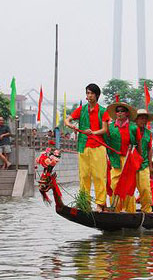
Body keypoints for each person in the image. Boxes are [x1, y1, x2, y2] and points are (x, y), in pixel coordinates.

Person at [65, 84, 110, 212]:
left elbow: (105, 129)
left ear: (97, 95)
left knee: (99, 176)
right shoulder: (81, 110)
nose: (89, 96)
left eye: (91, 93)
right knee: (84, 175)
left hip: (98, 146)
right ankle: (84, 202)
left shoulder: (103, 111)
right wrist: (71, 125)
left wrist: (93, 132)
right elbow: (67, 120)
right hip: (83, 146)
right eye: (88, 93)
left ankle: (100, 204)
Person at [103, 101, 141, 213]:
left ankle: (129, 211)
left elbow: (138, 145)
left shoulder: (133, 128)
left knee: (128, 186)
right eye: (117, 111)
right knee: (114, 184)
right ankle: (116, 210)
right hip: (115, 159)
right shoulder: (110, 127)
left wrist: (139, 160)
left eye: (122, 111)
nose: (119, 113)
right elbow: (105, 141)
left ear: (127, 113)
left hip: (129, 159)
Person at [134, 109, 153, 213]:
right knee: (129, 190)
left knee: (145, 189)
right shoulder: (132, 130)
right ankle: (128, 210)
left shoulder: (148, 133)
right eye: (141, 118)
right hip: (131, 163)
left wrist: (151, 166)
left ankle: (146, 210)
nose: (143, 121)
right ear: (136, 119)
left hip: (144, 164)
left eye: (145, 119)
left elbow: (149, 149)